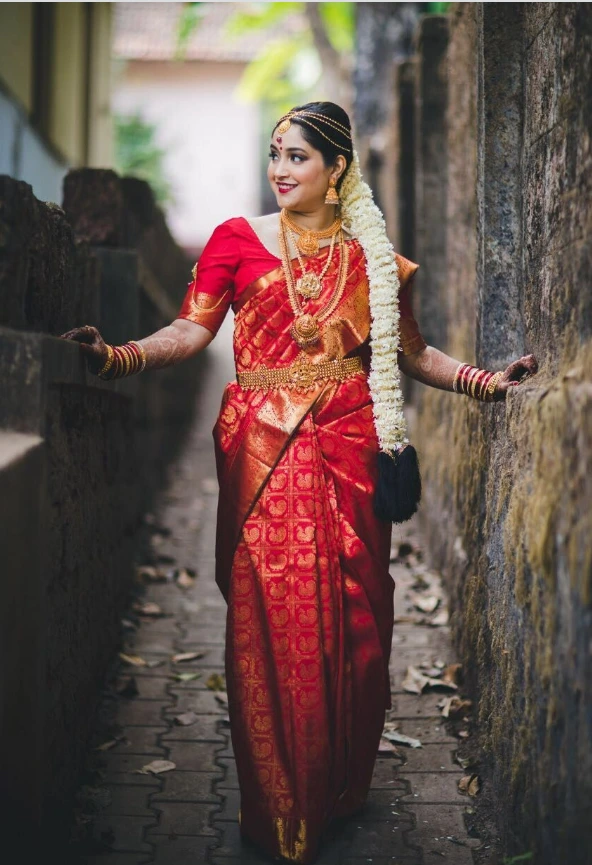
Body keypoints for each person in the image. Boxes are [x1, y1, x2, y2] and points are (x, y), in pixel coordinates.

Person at [60, 101, 538, 864]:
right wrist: (117, 356)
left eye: (298, 157)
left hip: (350, 452)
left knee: (355, 627)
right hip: (262, 453)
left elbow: (413, 353)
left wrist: (488, 382)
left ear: (337, 168)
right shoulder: (236, 241)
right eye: (275, 154)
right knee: (273, 625)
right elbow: (191, 329)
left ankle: (336, 788)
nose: (281, 169)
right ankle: (282, 805)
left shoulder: (375, 260)